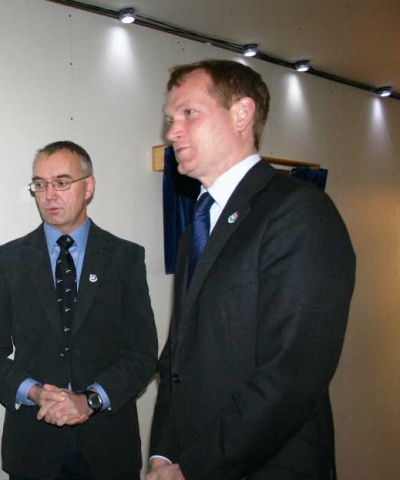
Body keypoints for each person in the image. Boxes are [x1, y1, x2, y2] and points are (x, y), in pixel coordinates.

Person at [148, 60, 356, 480]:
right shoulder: (196, 230)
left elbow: (290, 376)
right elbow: (178, 357)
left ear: (242, 114)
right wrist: (163, 454)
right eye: (170, 119)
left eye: (189, 113)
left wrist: (195, 468)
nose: (171, 132)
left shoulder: (299, 212)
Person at [0, 140, 158, 480]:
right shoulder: (9, 260)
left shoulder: (125, 258)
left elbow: (142, 354)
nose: (48, 195)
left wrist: (90, 400)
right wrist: (35, 392)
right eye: (39, 184)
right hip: (33, 447)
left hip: (109, 446)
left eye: (61, 182)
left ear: (89, 186)